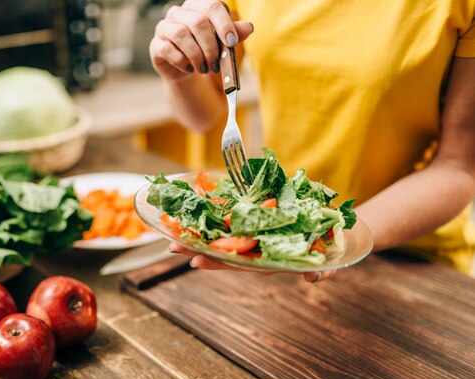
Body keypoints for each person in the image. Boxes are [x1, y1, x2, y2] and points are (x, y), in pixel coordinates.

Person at [149, 0, 475, 281]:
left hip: (413, 257)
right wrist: (177, 74)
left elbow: (459, 167)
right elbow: (200, 116)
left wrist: (329, 236)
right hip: (283, 236)